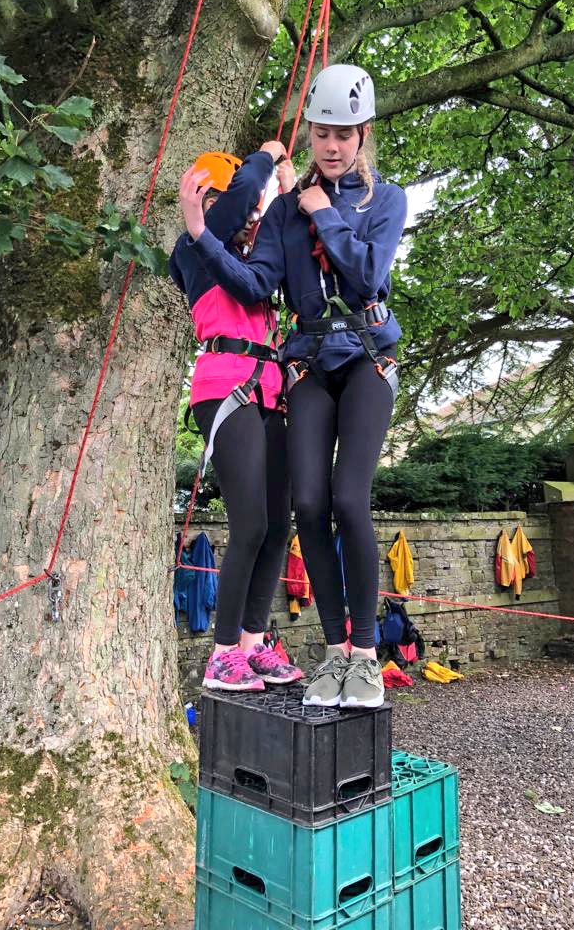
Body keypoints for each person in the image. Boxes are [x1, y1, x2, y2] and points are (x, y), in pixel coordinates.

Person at [179, 65, 407, 708]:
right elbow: (256, 283)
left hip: (364, 358)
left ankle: (363, 654)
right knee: (304, 505)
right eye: (322, 133)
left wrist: (321, 212)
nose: (332, 146)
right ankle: (332, 652)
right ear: (310, 133)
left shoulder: (384, 201)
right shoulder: (279, 211)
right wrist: (204, 232)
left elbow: (366, 278)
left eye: (345, 134)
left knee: (346, 499)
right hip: (303, 367)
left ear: (363, 136)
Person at [170, 141, 302, 691]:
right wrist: (269, 154)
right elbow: (246, 191)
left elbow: (294, 237)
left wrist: (291, 192)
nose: (251, 213)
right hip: (226, 387)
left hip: (272, 390)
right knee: (249, 521)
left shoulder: (253, 260)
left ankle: (252, 642)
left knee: (278, 524)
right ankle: (223, 652)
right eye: (240, 206)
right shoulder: (193, 247)